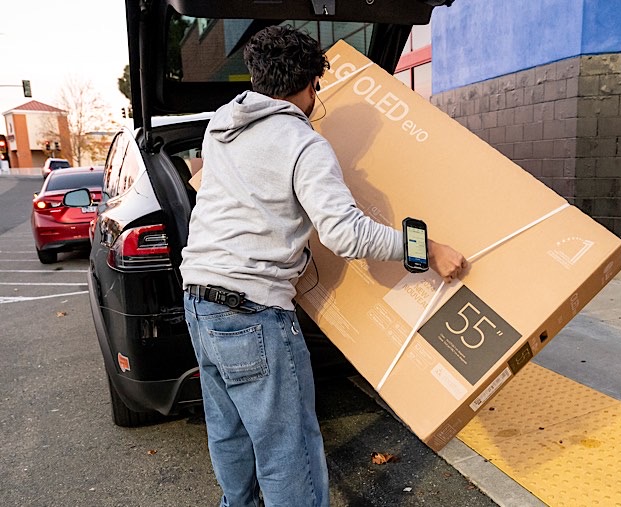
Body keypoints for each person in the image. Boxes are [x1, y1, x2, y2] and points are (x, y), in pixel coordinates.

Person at [180, 25, 466, 507]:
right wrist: (427, 247)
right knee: (287, 451)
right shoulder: (303, 143)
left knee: (229, 433)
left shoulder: (221, 125)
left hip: (199, 303)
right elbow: (346, 233)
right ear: (311, 84)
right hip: (253, 313)